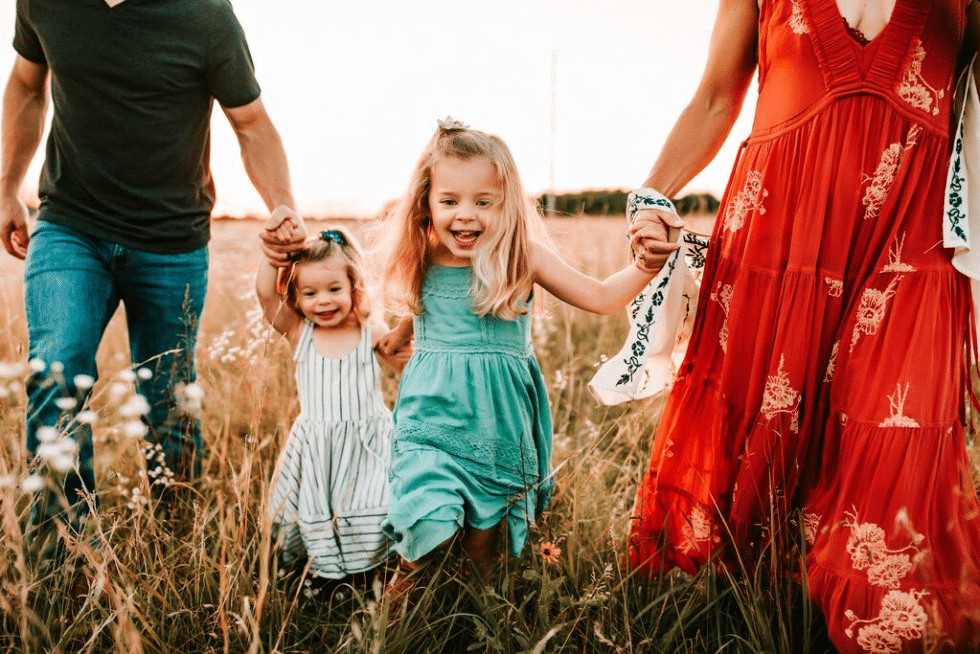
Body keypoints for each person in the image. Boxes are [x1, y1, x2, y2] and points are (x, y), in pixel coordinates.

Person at [625, 0, 980, 650]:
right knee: (767, 482)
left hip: (913, 244)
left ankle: (875, 625)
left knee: (894, 461)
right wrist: (651, 198)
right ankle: (770, 619)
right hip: (779, 247)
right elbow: (714, 98)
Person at [0, 0, 304, 544]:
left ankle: (177, 534)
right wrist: (6, 189)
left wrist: (283, 205)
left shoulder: (205, 14)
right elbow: (26, 84)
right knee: (57, 369)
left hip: (171, 238)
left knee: (168, 397)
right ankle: (66, 549)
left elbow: (251, 123)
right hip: (70, 223)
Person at [378, 118, 660, 579]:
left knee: (483, 551)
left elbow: (603, 298)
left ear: (506, 204)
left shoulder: (521, 257)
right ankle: (395, 621)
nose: (465, 214)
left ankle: (482, 617)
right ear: (426, 202)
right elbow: (430, 307)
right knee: (424, 515)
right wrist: (402, 336)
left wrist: (644, 266)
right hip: (429, 420)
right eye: (449, 201)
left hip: (497, 423)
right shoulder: (422, 258)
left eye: (483, 202)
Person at [256, 223, 401, 584]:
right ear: (295, 296)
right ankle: (325, 577)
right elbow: (265, 294)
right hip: (318, 445)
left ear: (354, 287)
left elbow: (406, 363)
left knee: (375, 503)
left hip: (369, 442)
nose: (323, 301)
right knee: (320, 505)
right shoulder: (300, 333)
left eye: (334, 289)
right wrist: (275, 252)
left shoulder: (370, 330)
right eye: (310, 293)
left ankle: (371, 572)